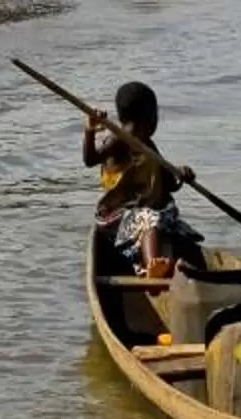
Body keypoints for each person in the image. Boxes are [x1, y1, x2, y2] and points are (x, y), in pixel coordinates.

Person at [85, 81, 202, 275]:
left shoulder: (149, 147)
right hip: (118, 216)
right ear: (149, 118)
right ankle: (152, 267)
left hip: (148, 211)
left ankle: (183, 270)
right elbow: (90, 159)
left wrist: (182, 174)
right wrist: (89, 131)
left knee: (180, 231)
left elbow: (169, 184)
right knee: (150, 221)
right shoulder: (118, 140)